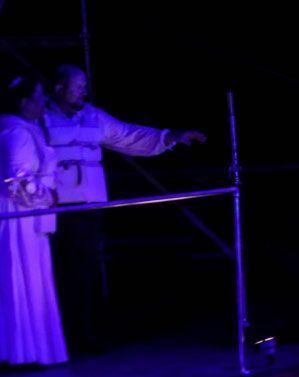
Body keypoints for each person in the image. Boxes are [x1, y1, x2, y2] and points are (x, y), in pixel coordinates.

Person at [44, 64, 206, 353]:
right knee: (60, 271)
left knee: (86, 270)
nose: (83, 90)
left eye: (84, 85)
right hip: (54, 207)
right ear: (58, 88)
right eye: (76, 85)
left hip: (89, 206)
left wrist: (170, 137)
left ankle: (85, 334)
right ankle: (60, 337)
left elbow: (127, 135)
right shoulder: (41, 117)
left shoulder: (93, 116)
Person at [0, 73, 67, 366]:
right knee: (19, 272)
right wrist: (46, 195)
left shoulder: (22, 128)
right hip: (19, 215)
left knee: (26, 274)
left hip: (24, 213)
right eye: (39, 97)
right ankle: (20, 350)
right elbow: (17, 181)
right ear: (25, 102)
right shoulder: (15, 131)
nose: (43, 103)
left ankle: (27, 348)